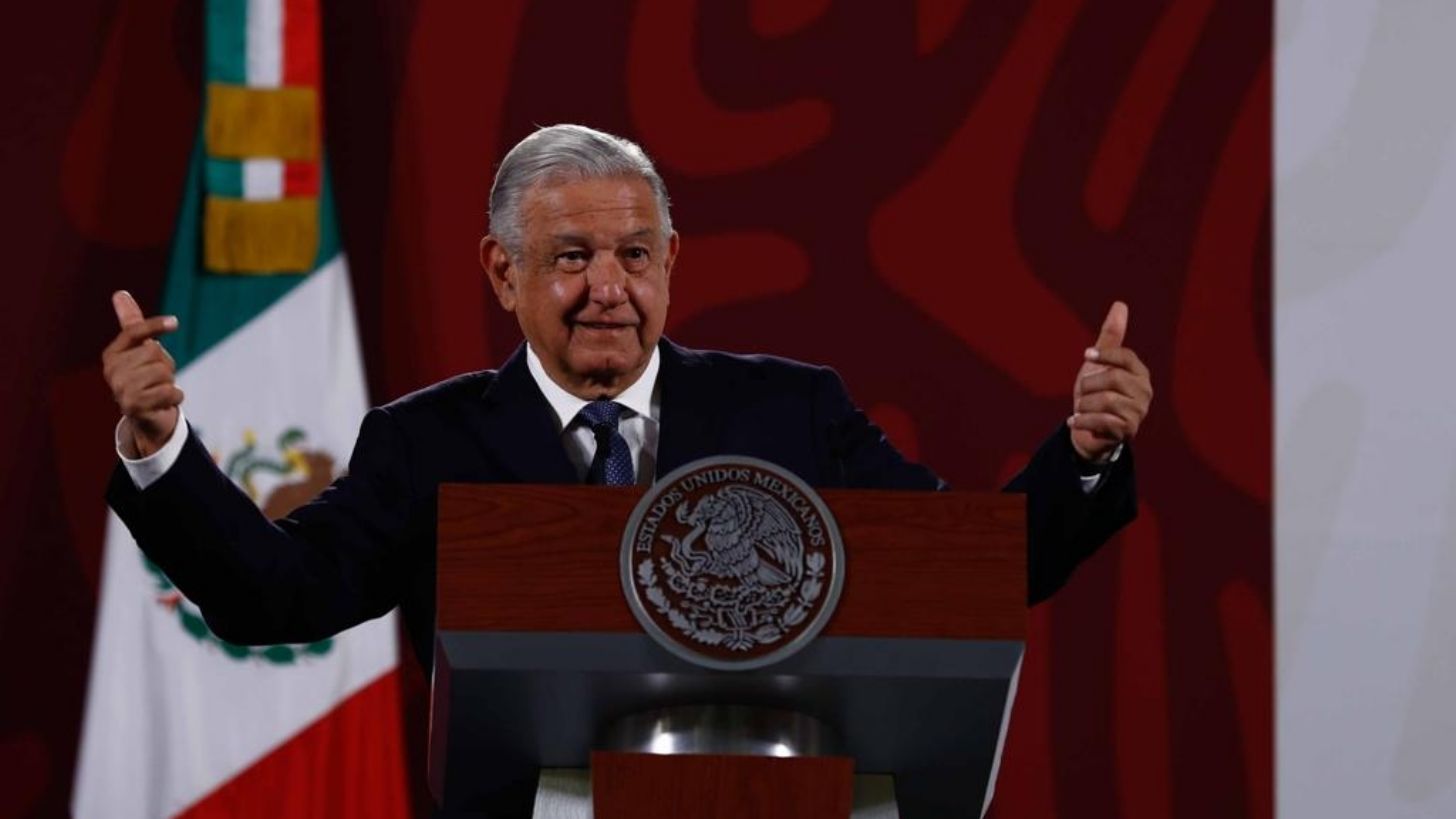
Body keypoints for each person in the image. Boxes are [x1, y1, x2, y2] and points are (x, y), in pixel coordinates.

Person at [103, 124, 1153, 669]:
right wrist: (162, 447)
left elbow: (971, 570)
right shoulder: (425, 443)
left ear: (670, 264)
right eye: (572, 256)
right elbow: (277, 597)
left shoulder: (790, 414)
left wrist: (1087, 452)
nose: (609, 287)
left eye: (635, 255)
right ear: (503, 272)